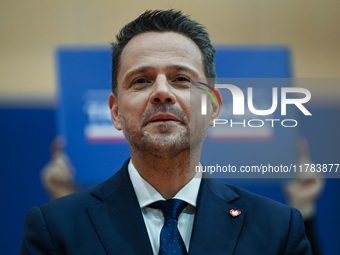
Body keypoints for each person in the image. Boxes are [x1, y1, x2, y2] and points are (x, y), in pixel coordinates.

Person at [19, 10, 312, 254]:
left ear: (213, 109)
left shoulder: (278, 229)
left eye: (181, 79)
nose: (161, 92)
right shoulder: (55, 229)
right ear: (115, 111)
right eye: (141, 80)